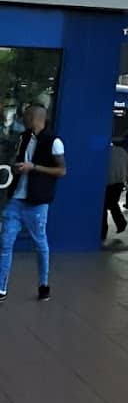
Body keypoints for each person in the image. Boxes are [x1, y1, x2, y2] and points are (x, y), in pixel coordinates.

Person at [0, 104, 66, 302]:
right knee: (5, 243)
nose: (24, 118)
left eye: (26, 115)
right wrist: (18, 168)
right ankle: (1, 288)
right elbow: (20, 161)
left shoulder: (54, 142)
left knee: (40, 243)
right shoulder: (25, 138)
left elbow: (62, 171)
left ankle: (43, 284)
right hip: (17, 199)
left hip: (37, 202)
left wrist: (33, 167)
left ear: (35, 117)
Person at [102, 142, 128, 241]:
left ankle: (104, 230)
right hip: (119, 183)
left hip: (107, 182)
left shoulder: (103, 152)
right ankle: (120, 223)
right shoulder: (122, 151)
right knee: (113, 203)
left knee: (104, 206)